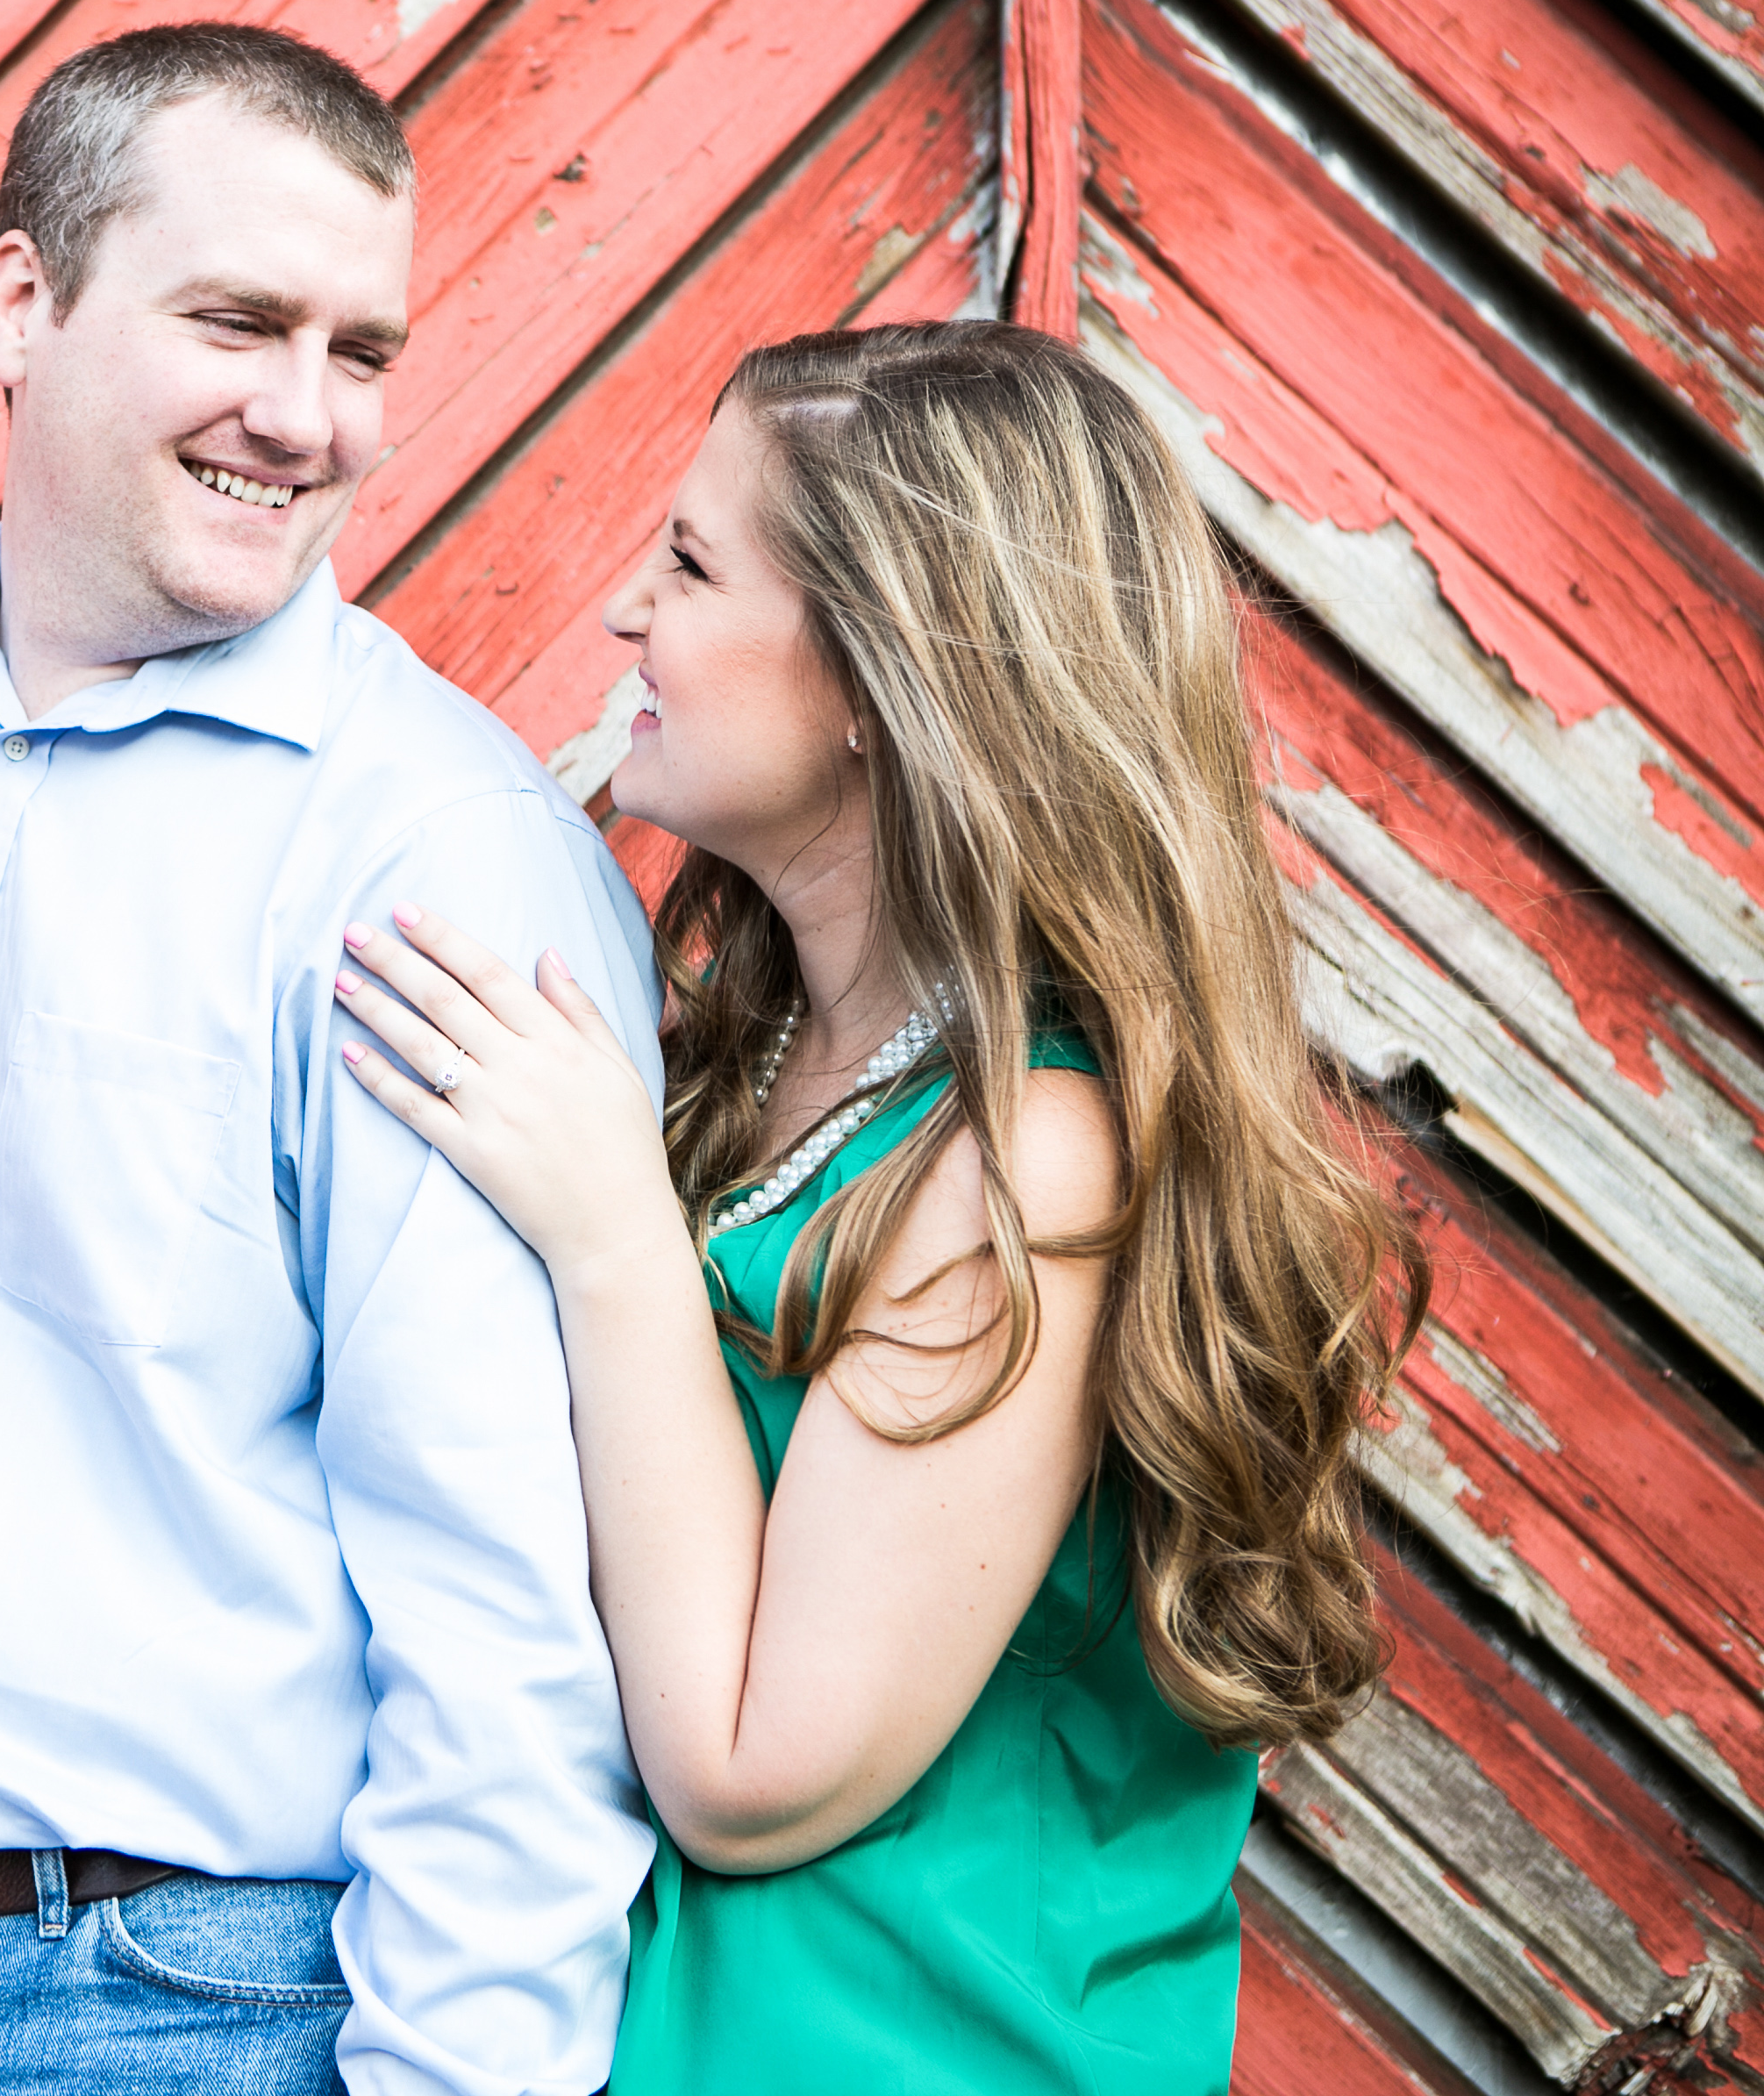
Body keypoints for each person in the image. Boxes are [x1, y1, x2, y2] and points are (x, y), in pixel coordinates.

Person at [0, 23, 666, 2095]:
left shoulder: (435, 857)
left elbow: (513, 1612)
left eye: (363, 350)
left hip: (200, 2017)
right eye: (241, 324)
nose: (309, 418)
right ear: (24, 303)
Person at [335, 319, 1424, 2092]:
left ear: (874, 673)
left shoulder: (1032, 1165)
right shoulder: (762, 1078)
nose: (626, 612)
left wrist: (614, 1239)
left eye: (690, 562)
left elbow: (753, 1770)